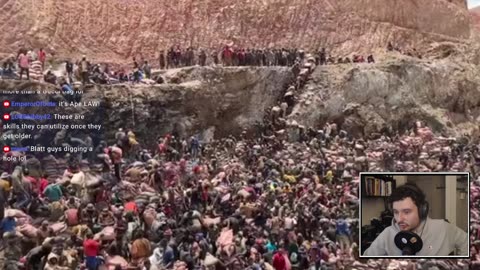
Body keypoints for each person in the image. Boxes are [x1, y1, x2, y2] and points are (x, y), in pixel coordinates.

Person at [363, 183, 468, 256]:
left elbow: (467, 244)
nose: (399, 219)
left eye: (407, 212)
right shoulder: (387, 234)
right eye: (396, 212)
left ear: (422, 210)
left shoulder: (442, 228)